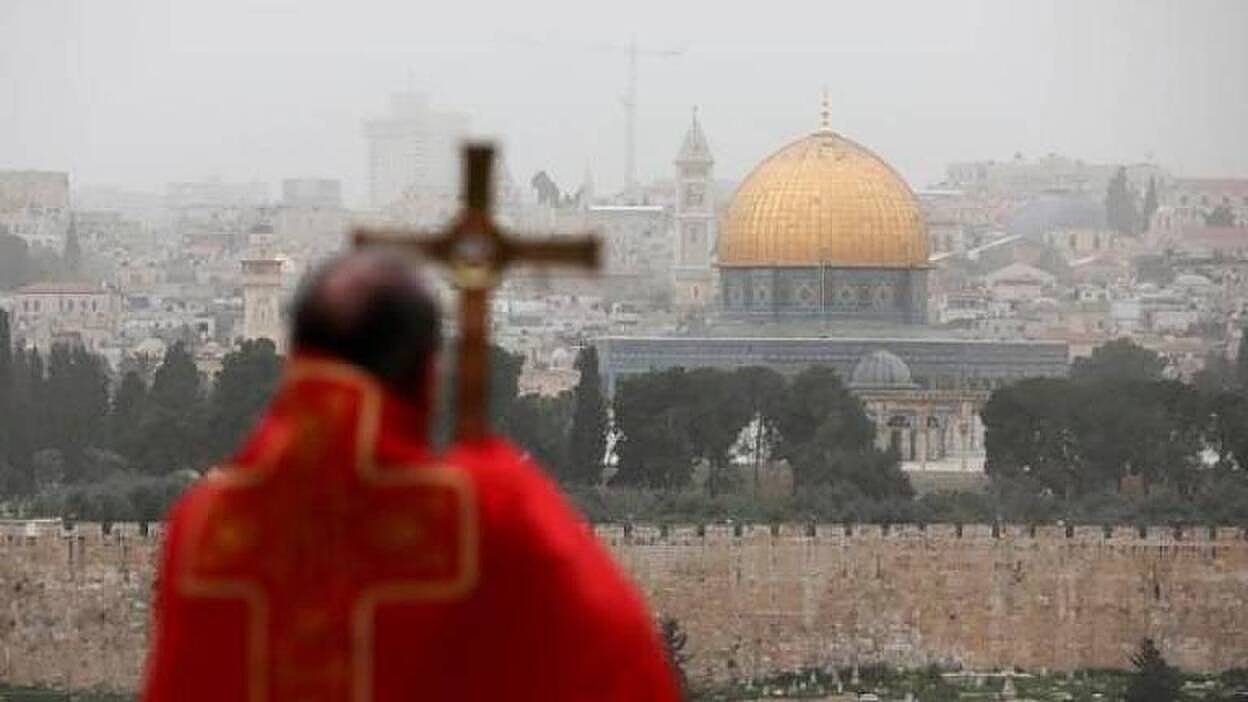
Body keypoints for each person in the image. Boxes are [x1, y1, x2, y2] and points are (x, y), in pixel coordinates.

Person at [142, 250, 680, 701]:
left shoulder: (204, 524)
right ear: (428, 375)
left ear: (294, 356)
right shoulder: (484, 511)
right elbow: (626, 675)